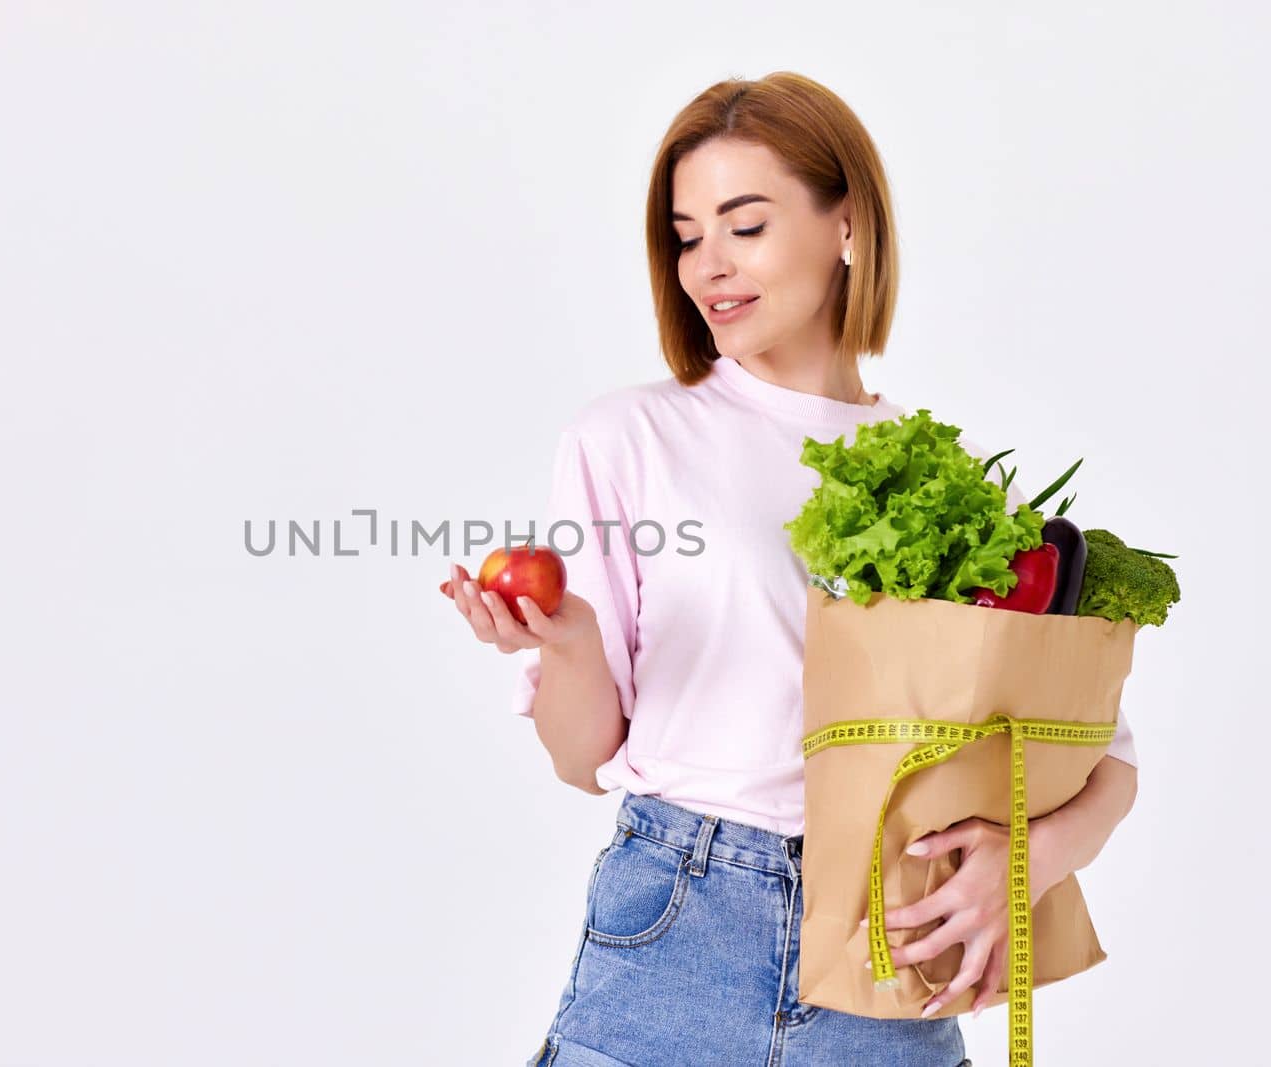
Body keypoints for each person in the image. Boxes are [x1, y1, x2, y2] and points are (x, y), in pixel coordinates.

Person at [445, 72, 1139, 1067]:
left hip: (886, 953)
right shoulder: (631, 437)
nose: (707, 267)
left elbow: (1101, 751)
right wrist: (571, 644)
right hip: (675, 928)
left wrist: (1026, 862)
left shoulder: (940, 475)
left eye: (744, 225)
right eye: (686, 235)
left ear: (844, 222)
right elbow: (580, 758)